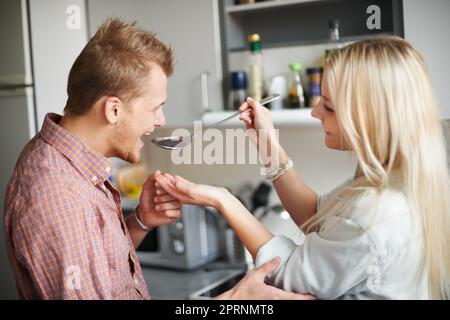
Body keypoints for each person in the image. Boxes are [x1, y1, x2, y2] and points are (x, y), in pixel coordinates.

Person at [3, 18, 312, 300]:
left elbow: (104, 272)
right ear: (113, 109)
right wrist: (235, 301)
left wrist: (139, 221)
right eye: (155, 108)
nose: (160, 121)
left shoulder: (73, 166)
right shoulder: (58, 196)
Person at [155, 36, 450, 299]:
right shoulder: (394, 177)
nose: (315, 111)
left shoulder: (376, 210)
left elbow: (288, 275)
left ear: (370, 118)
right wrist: (268, 145)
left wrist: (223, 199)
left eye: (329, 106)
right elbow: (315, 217)